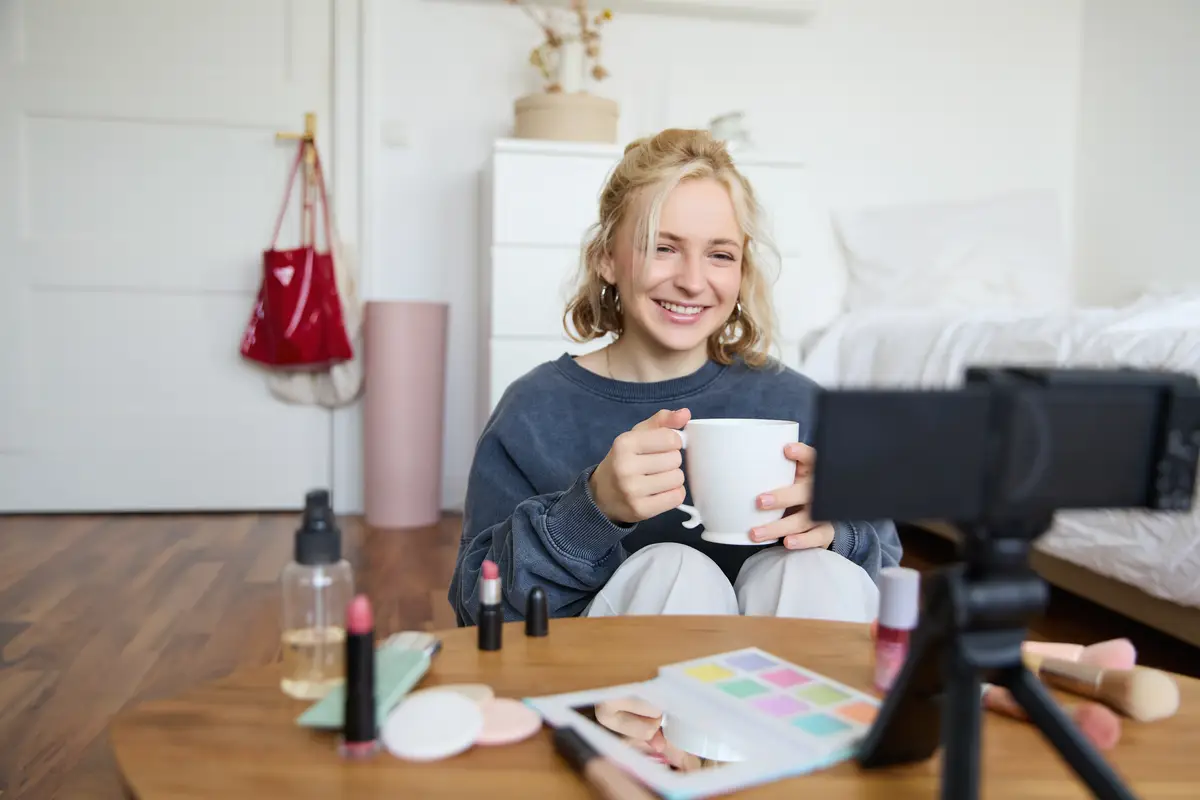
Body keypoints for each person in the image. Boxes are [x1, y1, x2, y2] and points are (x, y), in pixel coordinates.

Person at [449, 128, 901, 627]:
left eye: (720, 254)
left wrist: (839, 532)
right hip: (618, 696)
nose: (691, 279)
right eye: (662, 247)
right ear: (606, 258)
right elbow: (477, 610)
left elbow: (889, 575)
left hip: (781, 689)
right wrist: (591, 511)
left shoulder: (801, 403)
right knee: (673, 566)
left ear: (742, 271)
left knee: (810, 567)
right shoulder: (534, 411)